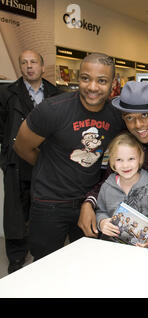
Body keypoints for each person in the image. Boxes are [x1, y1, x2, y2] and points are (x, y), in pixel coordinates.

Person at [13, 52, 125, 260]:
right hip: (49, 204)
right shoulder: (52, 110)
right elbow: (22, 147)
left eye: (101, 81)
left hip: (88, 203)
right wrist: (49, 167)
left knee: (86, 266)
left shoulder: (115, 116)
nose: (92, 87)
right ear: (78, 79)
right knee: (45, 268)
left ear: (112, 84)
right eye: (85, 78)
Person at [78, 80, 148, 238]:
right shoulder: (128, 141)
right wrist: (89, 203)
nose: (138, 124)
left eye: (144, 115)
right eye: (130, 118)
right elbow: (110, 178)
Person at [0, 50, 60, 272]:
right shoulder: (7, 94)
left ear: (43, 67)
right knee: (15, 213)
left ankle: (41, 254)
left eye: (33, 62)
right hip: (16, 162)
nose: (29, 66)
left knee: (43, 210)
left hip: (45, 161)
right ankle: (16, 258)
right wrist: (5, 158)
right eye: (23, 62)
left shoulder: (56, 93)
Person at [95, 132, 148, 248]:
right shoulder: (107, 187)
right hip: (112, 249)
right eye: (119, 160)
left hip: (142, 252)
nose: (125, 165)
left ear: (140, 159)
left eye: (131, 159)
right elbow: (100, 211)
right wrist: (102, 222)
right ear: (112, 162)